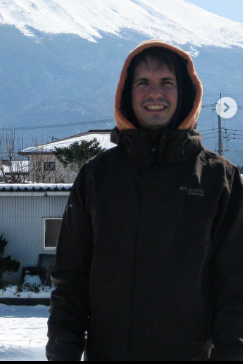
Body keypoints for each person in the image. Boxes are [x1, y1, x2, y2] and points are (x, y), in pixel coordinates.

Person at [46, 39, 243, 361]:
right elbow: (71, 278)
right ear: (126, 93)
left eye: (167, 83)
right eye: (143, 83)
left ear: (187, 94)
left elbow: (235, 284)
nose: (155, 94)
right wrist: (63, 350)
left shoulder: (219, 179)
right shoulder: (98, 176)